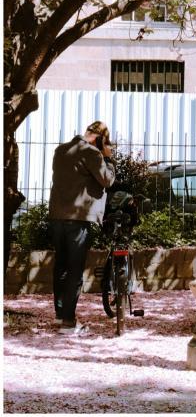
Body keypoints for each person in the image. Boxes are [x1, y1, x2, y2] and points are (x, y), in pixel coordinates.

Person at [48, 121, 115, 335]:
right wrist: (108, 157)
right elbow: (107, 180)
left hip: (57, 216)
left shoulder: (61, 150)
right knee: (75, 270)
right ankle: (69, 322)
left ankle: (60, 315)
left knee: (61, 266)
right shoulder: (92, 154)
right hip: (78, 218)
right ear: (100, 138)